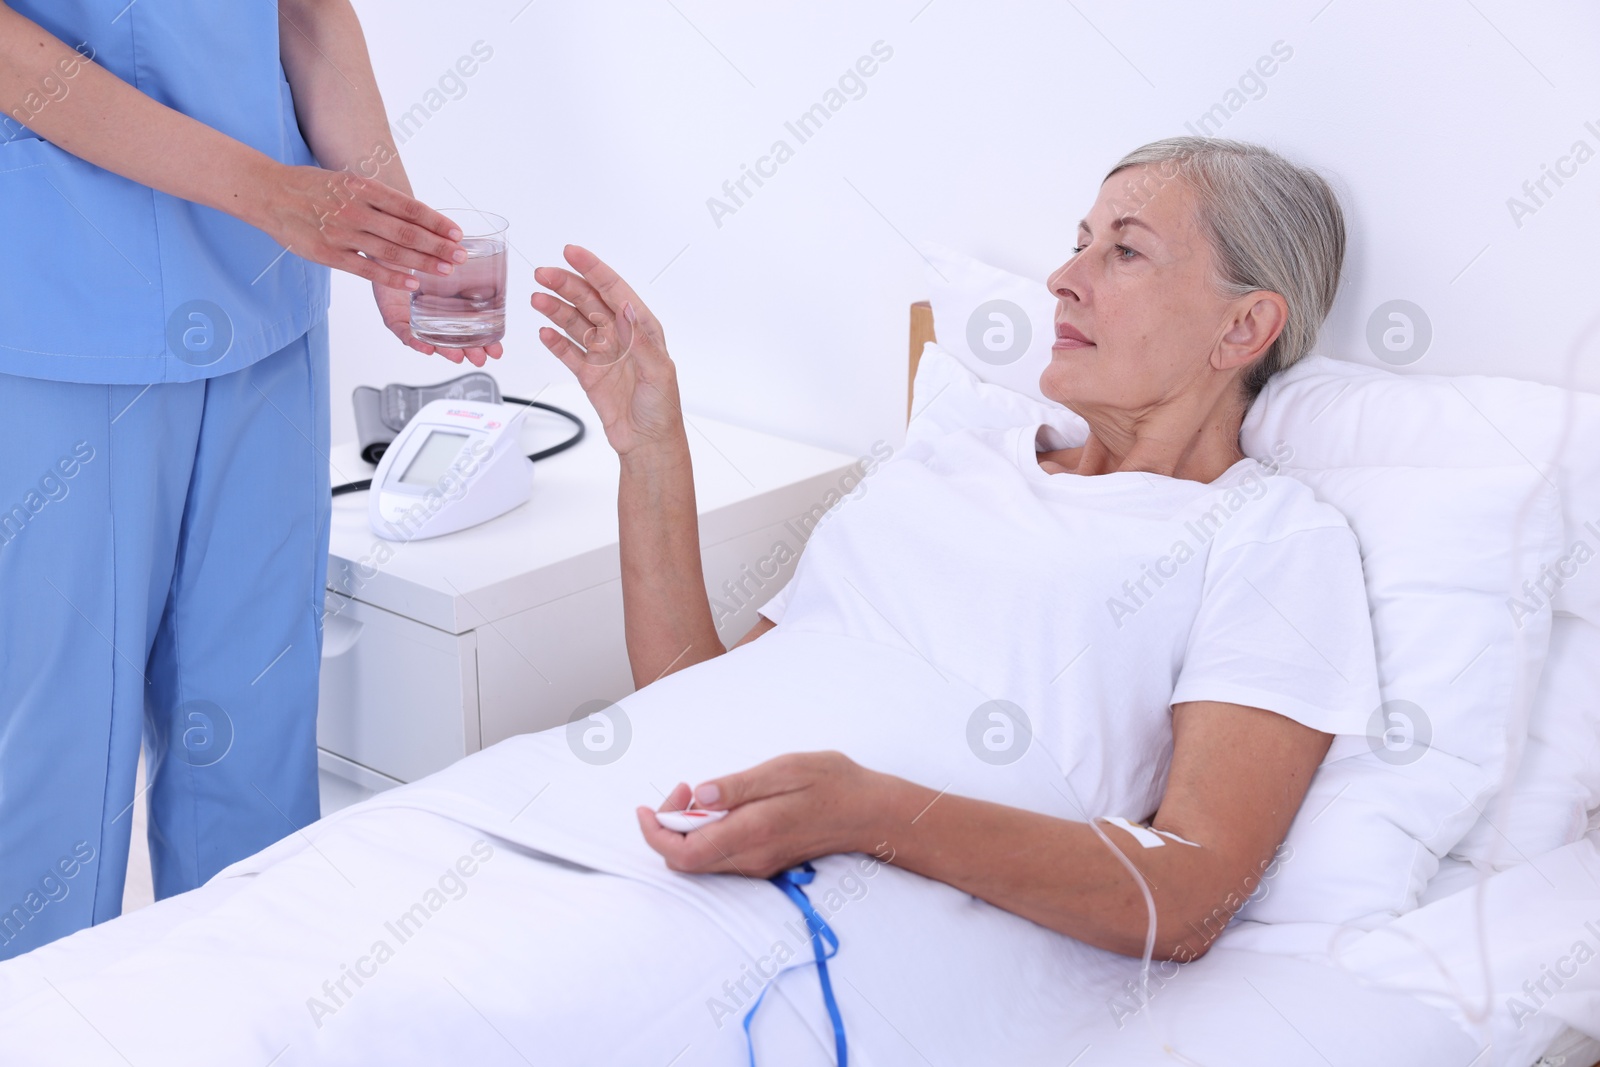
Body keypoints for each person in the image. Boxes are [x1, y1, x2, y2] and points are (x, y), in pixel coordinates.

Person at [0, 138, 1414, 1067]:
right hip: (596, 812)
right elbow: (698, 686)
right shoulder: (953, 456)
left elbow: (1191, 888)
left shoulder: (1263, 536)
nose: (1062, 273)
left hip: (822, 895)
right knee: (199, 969)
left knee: (374, 1025)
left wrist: (876, 810)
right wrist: (650, 439)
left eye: (1125, 248)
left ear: (1247, 326)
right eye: (1077, 235)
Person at [0, 0, 497, 960]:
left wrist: (389, 233)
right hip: (67, 316)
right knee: (53, 793)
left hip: (265, 312)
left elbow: (306, 16)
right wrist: (270, 192)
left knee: (253, 772)